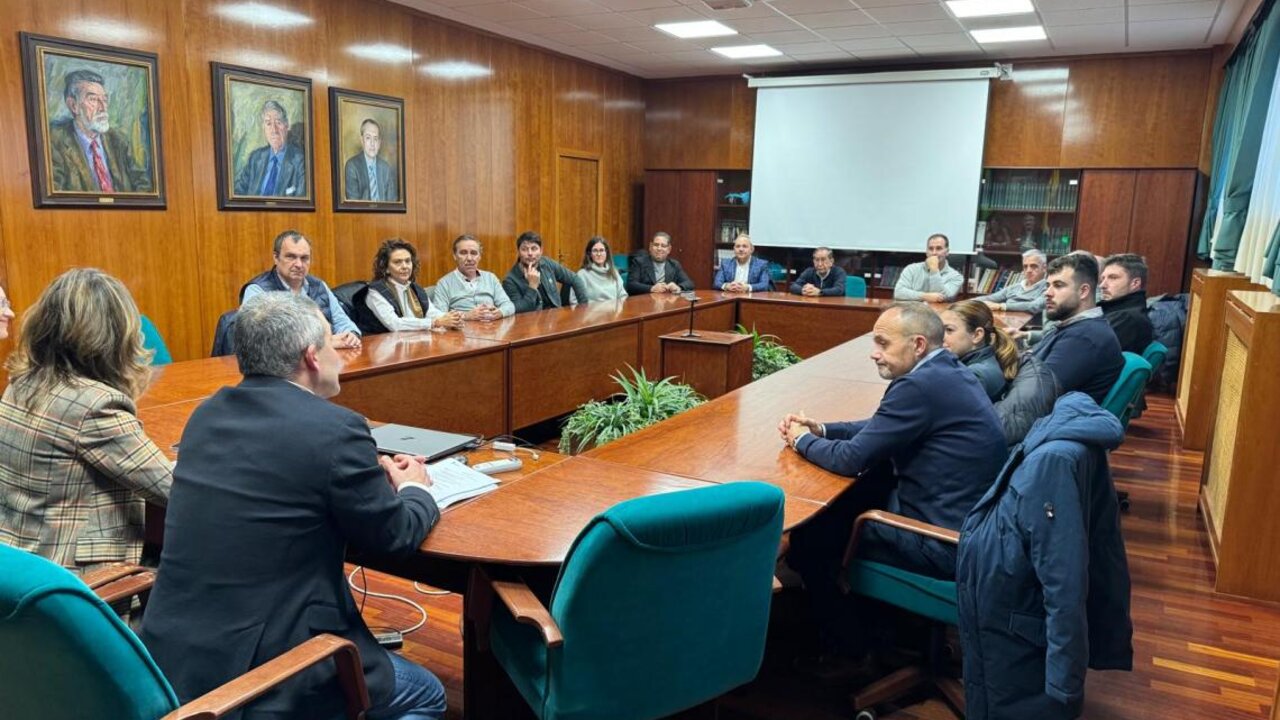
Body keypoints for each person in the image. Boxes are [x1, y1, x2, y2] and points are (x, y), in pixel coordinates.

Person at [139, 292, 447, 720]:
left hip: (174, 659)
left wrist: (360, 475)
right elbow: (394, 537)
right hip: (266, 673)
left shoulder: (205, 416)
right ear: (312, 357)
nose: (340, 353)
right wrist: (416, 489)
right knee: (428, 694)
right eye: (330, 342)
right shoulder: (336, 429)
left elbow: (279, 483)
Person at [779, 302, 1007, 663]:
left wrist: (800, 441)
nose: (874, 354)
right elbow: (879, 425)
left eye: (883, 343)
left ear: (918, 344)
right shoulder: (947, 370)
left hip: (942, 541)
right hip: (970, 524)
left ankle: (848, 648)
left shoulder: (919, 385)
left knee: (811, 541)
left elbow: (851, 459)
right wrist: (823, 429)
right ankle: (886, 624)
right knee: (848, 505)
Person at [0, 269, 171, 573]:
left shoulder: (20, 383)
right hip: (77, 587)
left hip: (20, 570)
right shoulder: (95, 406)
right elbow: (172, 488)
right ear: (116, 335)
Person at [240, 230, 362, 348]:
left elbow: (342, 321)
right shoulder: (258, 290)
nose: (299, 264)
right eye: (291, 257)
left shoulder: (319, 286)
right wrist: (323, 344)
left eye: (304, 258)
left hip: (322, 362)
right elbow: (260, 341)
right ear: (276, 258)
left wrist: (350, 335)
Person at [1033, 253, 1124, 404]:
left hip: (1043, 423)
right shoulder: (1074, 327)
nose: (1047, 293)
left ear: (1083, 291)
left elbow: (1036, 392)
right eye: (1047, 285)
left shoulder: (1085, 338)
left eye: (1058, 285)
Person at [48, 69, 151, 193]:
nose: (103, 107)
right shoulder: (54, 141)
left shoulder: (119, 141)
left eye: (104, 100)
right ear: (73, 105)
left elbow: (143, 185)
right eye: (93, 99)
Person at [363, 238, 462, 332]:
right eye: (398, 262)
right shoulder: (376, 291)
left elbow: (431, 312)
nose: (405, 266)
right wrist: (435, 323)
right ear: (386, 268)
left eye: (408, 261)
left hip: (415, 341)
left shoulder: (415, 288)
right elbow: (394, 324)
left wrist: (452, 318)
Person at [942, 300, 1020, 401]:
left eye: (949, 330)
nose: (941, 336)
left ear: (977, 335)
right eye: (940, 329)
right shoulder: (985, 362)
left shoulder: (974, 376)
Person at [233, 100, 307, 198]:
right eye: (268, 124)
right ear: (264, 128)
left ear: (286, 126)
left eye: (278, 122)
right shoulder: (255, 158)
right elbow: (237, 193)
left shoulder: (301, 161)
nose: (274, 130)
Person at [432, 234, 515, 321]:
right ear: (455, 256)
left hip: (491, 330)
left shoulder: (491, 278)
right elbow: (439, 316)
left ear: (479, 257)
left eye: (474, 253)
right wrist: (466, 316)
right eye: (463, 253)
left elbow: (509, 305)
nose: (469, 258)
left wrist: (499, 313)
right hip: (462, 332)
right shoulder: (444, 283)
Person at [502, 231, 588, 313]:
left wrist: (583, 309)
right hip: (531, 325)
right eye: (524, 249)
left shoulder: (547, 263)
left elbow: (575, 279)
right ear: (519, 252)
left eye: (534, 248)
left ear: (541, 250)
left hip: (556, 319)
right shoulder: (510, 280)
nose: (530, 253)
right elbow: (519, 310)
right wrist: (532, 287)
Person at [1098, 253, 1154, 354]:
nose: (1102, 285)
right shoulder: (1120, 313)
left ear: (1135, 283)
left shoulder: (1126, 319)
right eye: (1103, 279)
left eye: (1113, 278)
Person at [974, 249, 1048, 314]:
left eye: (1034, 266)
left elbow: (1034, 306)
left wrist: (1001, 306)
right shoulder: (1015, 287)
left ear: (1044, 268)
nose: (1028, 270)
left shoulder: (1048, 288)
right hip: (1005, 324)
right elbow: (990, 298)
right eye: (1025, 266)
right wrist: (967, 303)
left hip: (1026, 327)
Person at [893, 233, 962, 302]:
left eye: (939, 248)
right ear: (926, 252)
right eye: (930, 249)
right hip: (911, 311)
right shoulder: (911, 269)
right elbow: (898, 293)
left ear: (947, 252)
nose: (934, 253)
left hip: (938, 312)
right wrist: (924, 296)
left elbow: (940, 298)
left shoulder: (956, 277)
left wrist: (934, 270)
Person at [343, 118, 398, 202]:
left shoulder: (385, 168)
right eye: (368, 138)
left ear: (379, 143)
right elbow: (353, 205)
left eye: (375, 139)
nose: (372, 143)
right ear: (362, 140)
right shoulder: (352, 166)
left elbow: (392, 203)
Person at [626, 232, 695, 295]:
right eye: (656, 245)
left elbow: (689, 283)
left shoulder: (674, 264)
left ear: (669, 249)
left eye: (663, 246)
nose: (659, 248)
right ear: (650, 247)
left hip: (668, 305)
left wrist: (678, 287)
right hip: (645, 304)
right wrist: (652, 288)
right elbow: (631, 285)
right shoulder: (638, 262)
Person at [573, 236, 628, 303]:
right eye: (595, 251)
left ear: (606, 253)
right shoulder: (582, 274)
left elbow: (623, 296)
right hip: (591, 313)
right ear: (589, 254)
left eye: (601, 250)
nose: (599, 254)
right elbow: (574, 302)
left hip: (614, 313)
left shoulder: (614, 272)